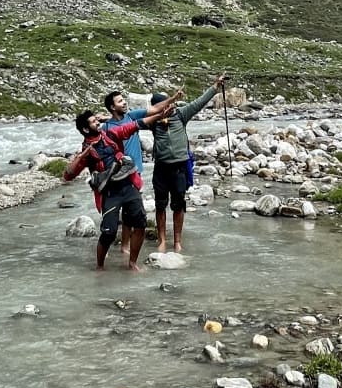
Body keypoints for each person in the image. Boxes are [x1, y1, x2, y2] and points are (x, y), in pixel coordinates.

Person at [64, 92, 181, 272]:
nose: (98, 123)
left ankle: (132, 263)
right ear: (86, 130)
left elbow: (133, 126)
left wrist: (159, 116)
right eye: (94, 122)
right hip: (110, 193)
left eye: (98, 120)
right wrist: (81, 157)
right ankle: (100, 267)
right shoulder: (86, 153)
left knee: (140, 224)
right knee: (109, 232)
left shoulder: (110, 133)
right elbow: (68, 175)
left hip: (128, 186)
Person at [147, 73, 227, 253]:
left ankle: (177, 241)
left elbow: (199, 102)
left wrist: (215, 86)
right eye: (161, 106)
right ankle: (161, 240)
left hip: (179, 167)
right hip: (161, 166)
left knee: (178, 204)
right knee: (160, 205)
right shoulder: (153, 122)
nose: (167, 108)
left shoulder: (181, 115)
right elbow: (132, 121)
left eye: (169, 104)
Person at [102, 89, 148, 256]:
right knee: (115, 209)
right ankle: (110, 240)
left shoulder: (132, 116)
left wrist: (171, 100)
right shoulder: (106, 127)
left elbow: (152, 112)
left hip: (135, 172)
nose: (124, 103)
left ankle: (125, 245)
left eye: (123, 100)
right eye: (120, 101)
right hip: (118, 175)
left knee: (131, 210)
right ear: (112, 107)